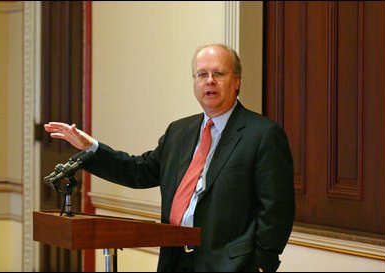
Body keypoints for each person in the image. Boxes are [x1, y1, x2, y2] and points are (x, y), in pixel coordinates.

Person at [44, 44, 295, 272]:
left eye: (219, 74)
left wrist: (263, 263)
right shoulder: (179, 132)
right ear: (194, 82)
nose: (210, 81)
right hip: (174, 260)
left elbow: (277, 209)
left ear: (237, 81)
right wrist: (92, 148)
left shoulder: (262, 135)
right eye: (202, 74)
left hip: (231, 265)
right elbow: (139, 171)